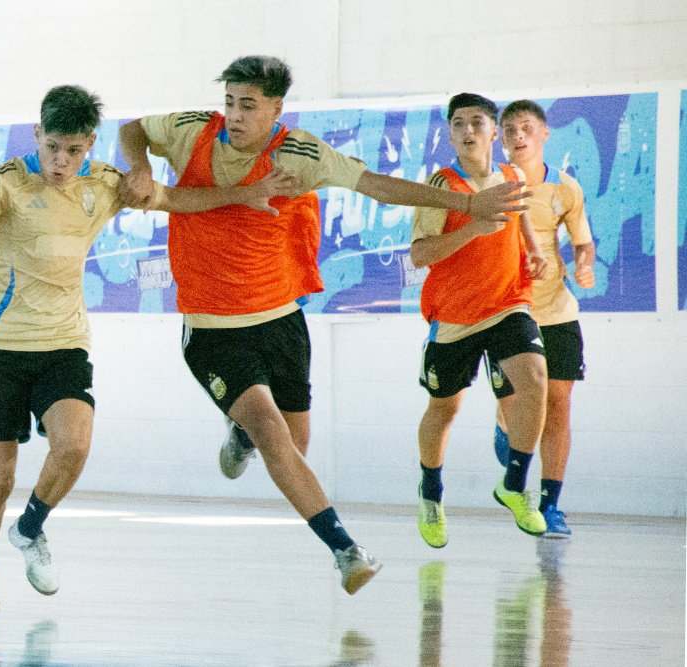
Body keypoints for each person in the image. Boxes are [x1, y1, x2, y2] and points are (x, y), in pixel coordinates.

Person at [118, 56, 530, 594]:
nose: (235, 116)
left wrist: (467, 202)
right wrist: (141, 167)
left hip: (281, 319)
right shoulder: (192, 129)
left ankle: (241, 433)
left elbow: (379, 186)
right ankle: (346, 551)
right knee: (272, 433)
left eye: (248, 106)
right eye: (230, 104)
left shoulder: (299, 153)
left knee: (293, 444)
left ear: (275, 109)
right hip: (213, 327)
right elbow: (132, 130)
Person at [0, 85, 297, 607]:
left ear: (90, 144)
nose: (60, 161)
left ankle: (31, 527)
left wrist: (244, 193)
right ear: (37, 134)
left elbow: (177, 200)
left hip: (64, 344)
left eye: (73, 150)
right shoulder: (9, 182)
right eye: (52, 146)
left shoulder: (106, 184)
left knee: (75, 446)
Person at [410, 92, 548, 549]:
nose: (468, 131)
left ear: (494, 131)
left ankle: (513, 484)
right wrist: (472, 226)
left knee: (534, 380)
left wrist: (534, 251)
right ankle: (431, 492)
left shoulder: (511, 175)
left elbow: (520, 218)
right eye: (458, 124)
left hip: (509, 303)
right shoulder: (440, 186)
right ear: (449, 134)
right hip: (454, 316)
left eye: (477, 122)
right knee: (444, 409)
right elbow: (419, 253)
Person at [489, 99, 595, 538]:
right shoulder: (491, 183)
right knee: (516, 409)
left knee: (558, 407)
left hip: (556, 311)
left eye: (526, 127)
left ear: (544, 133)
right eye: (509, 128)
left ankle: (550, 503)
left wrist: (584, 263)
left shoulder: (565, 188)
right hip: (506, 311)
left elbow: (583, 242)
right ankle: (503, 425)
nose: (518, 135)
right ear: (499, 136)